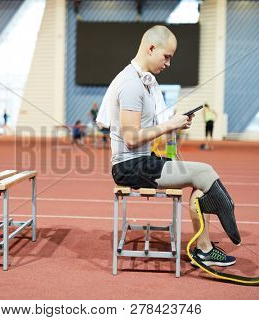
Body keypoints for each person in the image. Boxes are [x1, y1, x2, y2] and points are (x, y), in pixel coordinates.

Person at [97, 25, 241, 267]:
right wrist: (169, 125)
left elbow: (150, 131)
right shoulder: (131, 84)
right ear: (151, 48)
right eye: (167, 57)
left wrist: (175, 125)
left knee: (200, 178)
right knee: (204, 172)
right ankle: (214, 231)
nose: (168, 64)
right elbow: (132, 138)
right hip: (129, 166)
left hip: (143, 160)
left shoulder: (144, 82)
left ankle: (205, 245)